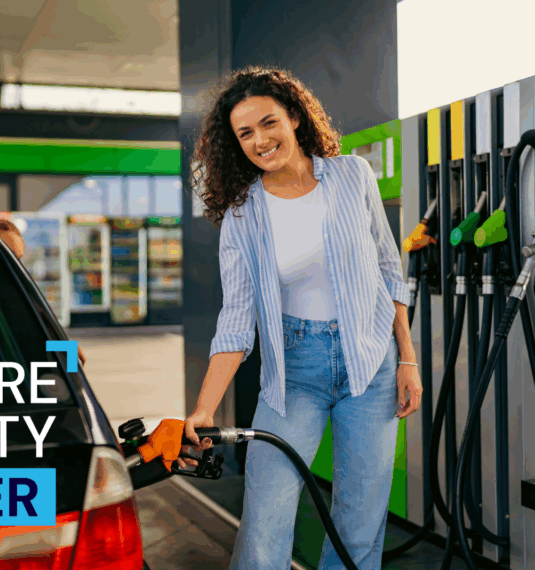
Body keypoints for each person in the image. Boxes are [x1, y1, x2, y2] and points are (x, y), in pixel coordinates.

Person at [181, 66, 423, 570]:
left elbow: (386, 268)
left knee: (359, 517)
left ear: (294, 116)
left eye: (268, 123)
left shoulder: (352, 175)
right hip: (295, 372)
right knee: (266, 514)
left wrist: (408, 358)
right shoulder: (243, 214)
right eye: (244, 133)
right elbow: (235, 320)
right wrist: (204, 409)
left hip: (370, 362)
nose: (260, 140)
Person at [0, 217, 87, 368]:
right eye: (6, 255)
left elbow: (27, 340)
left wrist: (66, 349)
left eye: (18, 258)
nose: (14, 265)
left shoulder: (11, 291)